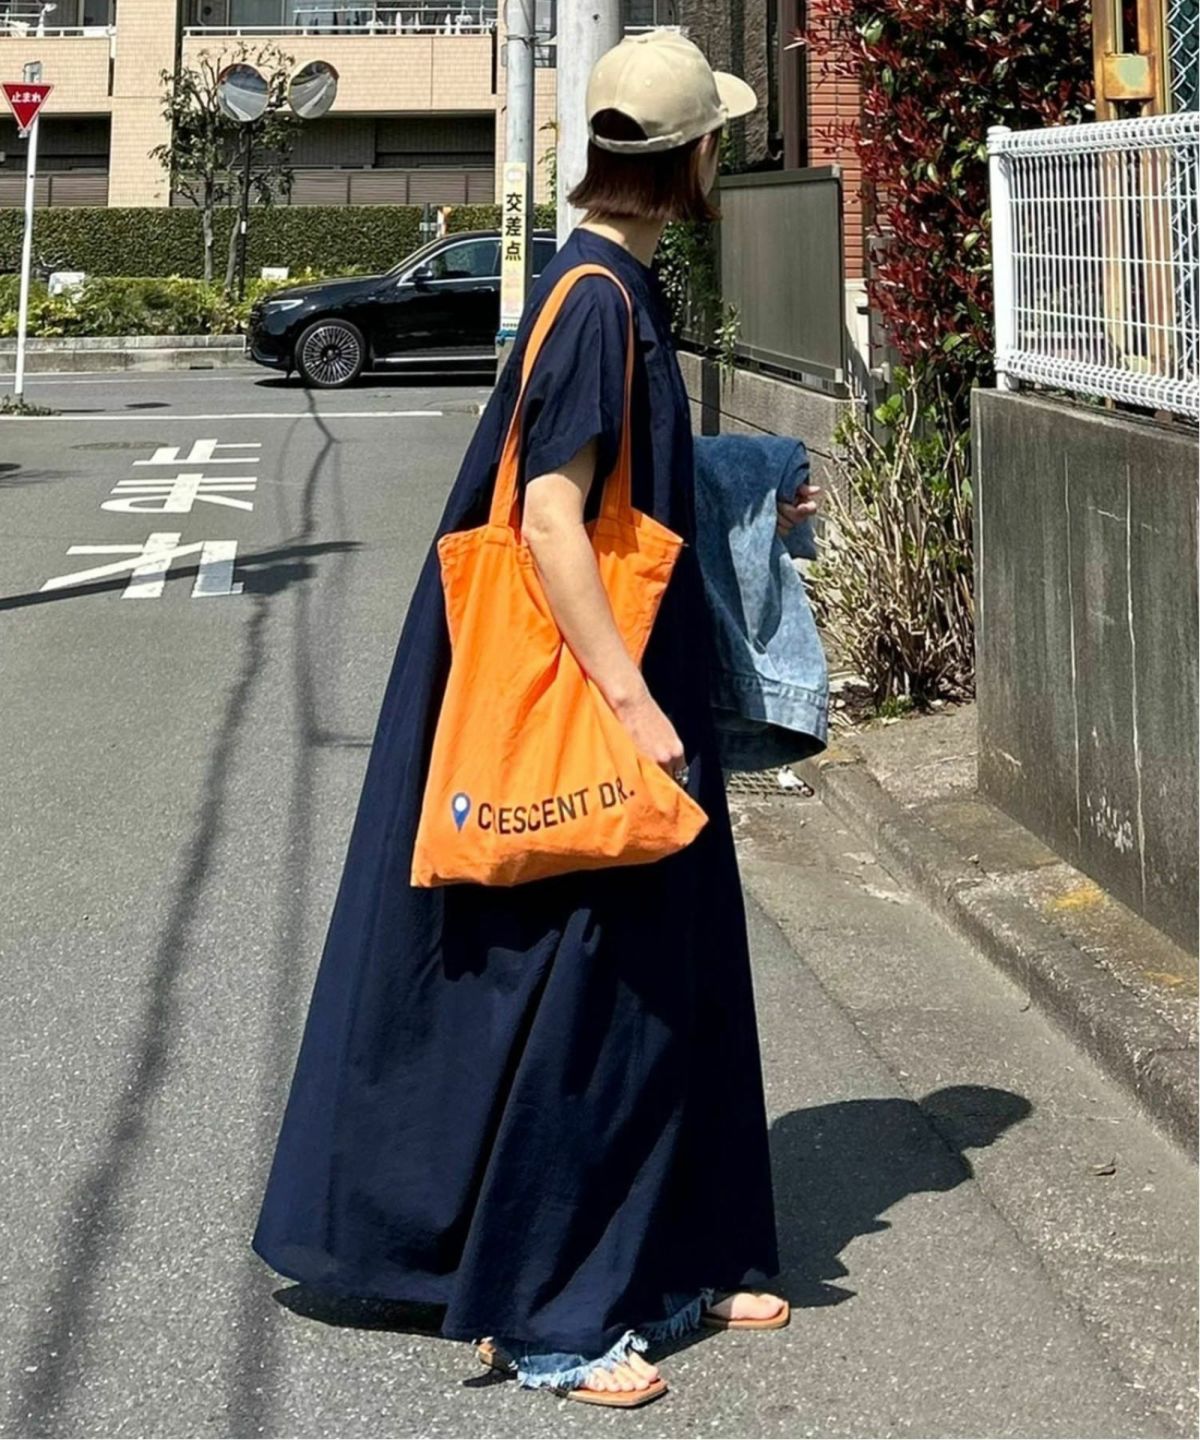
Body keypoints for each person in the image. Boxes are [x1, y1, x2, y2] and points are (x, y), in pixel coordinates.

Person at [253, 29, 809, 1409]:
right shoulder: (599, 302)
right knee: (601, 996)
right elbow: (554, 517)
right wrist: (631, 701)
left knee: (674, 978)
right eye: (716, 141)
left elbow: (625, 479)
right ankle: (554, 1315)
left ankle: (678, 1254)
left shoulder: (604, 285)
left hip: (624, 684)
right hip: (601, 698)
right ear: (687, 158)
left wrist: (740, 481)